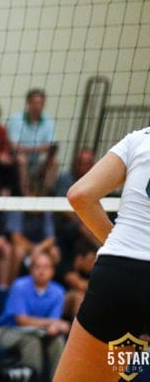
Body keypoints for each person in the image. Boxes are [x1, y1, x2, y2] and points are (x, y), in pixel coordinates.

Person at [55, 126, 150, 380]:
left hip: (119, 275)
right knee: (131, 365)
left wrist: (117, 243)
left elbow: (79, 195)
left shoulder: (139, 139)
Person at [0, 249, 68, 378]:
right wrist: (52, 323)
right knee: (31, 341)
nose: (41, 271)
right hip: (8, 330)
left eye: (46, 267)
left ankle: (58, 379)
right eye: (37, 267)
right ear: (31, 269)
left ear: (52, 271)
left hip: (40, 333)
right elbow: (21, 321)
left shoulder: (58, 291)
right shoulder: (20, 286)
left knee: (58, 341)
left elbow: (55, 322)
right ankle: (34, 378)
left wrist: (56, 327)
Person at [6, 88, 57, 196]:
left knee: (54, 162)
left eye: (40, 103)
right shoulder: (16, 119)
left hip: (36, 160)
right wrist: (39, 148)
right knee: (22, 158)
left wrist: (27, 148)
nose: (37, 106)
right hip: (15, 159)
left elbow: (51, 146)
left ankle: (44, 194)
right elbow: (14, 147)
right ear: (28, 103)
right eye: (34, 103)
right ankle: (26, 194)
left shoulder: (48, 121)